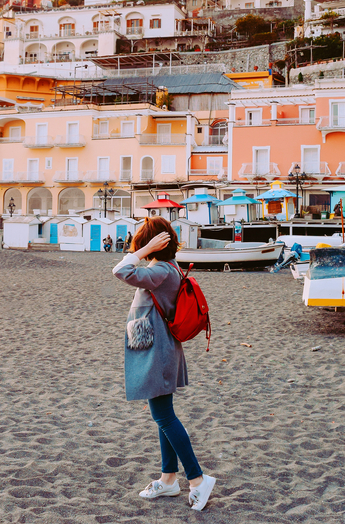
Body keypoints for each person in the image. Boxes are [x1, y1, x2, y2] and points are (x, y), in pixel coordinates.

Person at [112, 217, 215, 511]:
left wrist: (142, 252)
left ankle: (196, 479)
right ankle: (168, 480)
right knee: (163, 415)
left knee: (164, 416)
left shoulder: (158, 270)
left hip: (157, 352)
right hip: (159, 349)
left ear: (153, 244)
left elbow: (119, 270)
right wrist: (149, 249)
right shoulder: (168, 268)